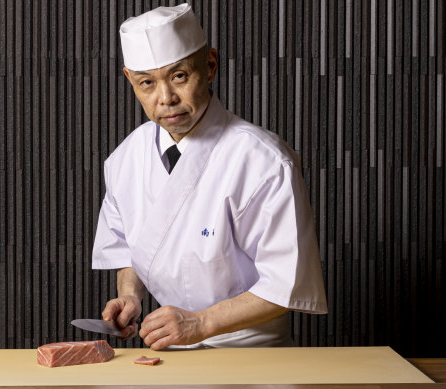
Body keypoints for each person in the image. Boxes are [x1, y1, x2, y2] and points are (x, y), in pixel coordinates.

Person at [92, 3, 327, 351]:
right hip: (170, 350)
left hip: (255, 355)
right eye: (147, 84)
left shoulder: (264, 161)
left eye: (179, 76)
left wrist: (203, 322)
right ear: (130, 80)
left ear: (211, 65)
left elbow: (286, 283)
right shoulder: (125, 159)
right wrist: (130, 296)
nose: (166, 99)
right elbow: (128, 249)